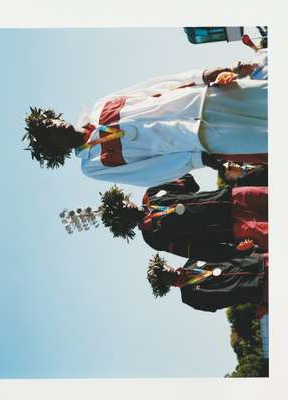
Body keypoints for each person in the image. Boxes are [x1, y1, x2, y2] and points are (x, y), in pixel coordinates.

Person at [23, 62, 267, 187]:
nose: (54, 127)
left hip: (205, 99)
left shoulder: (101, 105)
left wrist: (202, 75)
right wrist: (197, 160)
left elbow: (153, 87)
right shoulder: (93, 166)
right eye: (49, 135)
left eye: (50, 123)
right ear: (55, 150)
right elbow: (147, 173)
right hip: (202, 139)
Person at [98, 176, 268, 261]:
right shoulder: (153, 238)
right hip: (231, 227)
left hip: (230, 197)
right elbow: (196, 250)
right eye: (121, 213)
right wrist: (233, 252)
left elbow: (189, 182)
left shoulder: (151, 194)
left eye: (121, 204)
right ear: (125, 225)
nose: (125, 207)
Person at [146, 253, 268, 313]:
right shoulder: (190, 298)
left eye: (164, 267)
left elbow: (224, 252)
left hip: (259, 261)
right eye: (163, 274)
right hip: (259, 289)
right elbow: (221, 302)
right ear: (167, 284)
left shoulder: (193, 259)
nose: (166, 269)